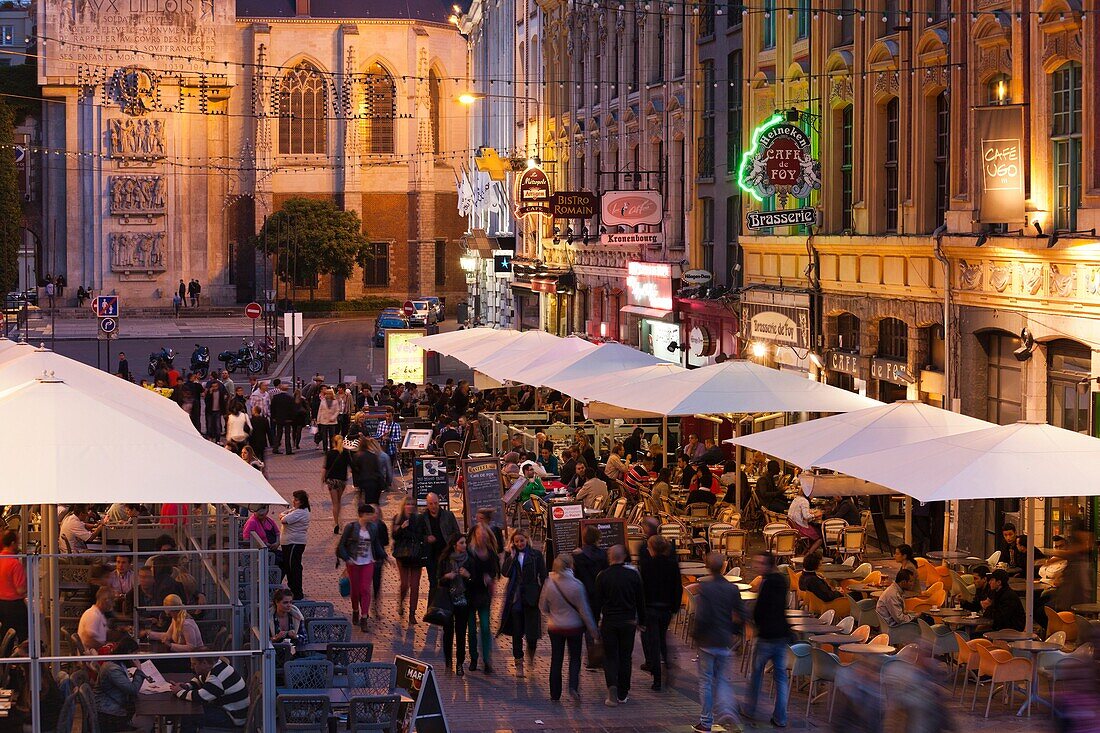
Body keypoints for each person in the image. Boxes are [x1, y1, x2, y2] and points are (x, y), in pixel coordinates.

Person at [692, 552, 745, 733]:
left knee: (706, 681)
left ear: (707, 567)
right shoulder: (732, 589)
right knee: (722, 680)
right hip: (724, 640)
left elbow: (701, 616)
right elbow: (741, 615)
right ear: (724, 567)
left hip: (707, 640)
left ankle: (706, 721)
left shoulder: (705, 589)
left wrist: (696, 636)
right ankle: (728, 711)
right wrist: (734, 632)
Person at [539, 553, 599, 702]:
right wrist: (593, 630)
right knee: (575, 658)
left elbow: (542, 606)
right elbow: (584, 610)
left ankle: (555, 693)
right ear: (571, 565)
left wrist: (553, 614)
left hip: (555, 627)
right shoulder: (577, 585)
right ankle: (573, 686)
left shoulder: (549, 583)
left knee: (556, 659)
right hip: (574, 627)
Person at [741, 551, 790, 728]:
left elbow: (760, 609)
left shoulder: (766, 583)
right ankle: (781, 717)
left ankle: (750, 709)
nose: (756, 567)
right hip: (781, 635)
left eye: (760, 563)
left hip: (766, 637)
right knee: (781, 679)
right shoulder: (783, 581)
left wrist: (754, 622)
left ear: (769, 565)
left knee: (756, 675)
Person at [594, 544, 645, 706]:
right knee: (625, 657)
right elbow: (640, 601)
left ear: (610, 557)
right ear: (624, 556)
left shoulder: (603, 576)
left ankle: (612, 688)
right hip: (628, 621)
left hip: (609, 621)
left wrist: (595, 623)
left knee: (610, 656)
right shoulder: (633, 576)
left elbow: (597, 603)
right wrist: (642, 621)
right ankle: (623, 692)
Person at [499, 531, 547, 678]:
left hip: (532, 597)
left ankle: (530, 656)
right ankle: (518, 663)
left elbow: (543, 575)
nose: (520, 544)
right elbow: (505, 573)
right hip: (516, 598)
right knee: (517, 633)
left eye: (522, 541)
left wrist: (542, 594)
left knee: (532, 635)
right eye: (516, 541)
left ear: (527, 539)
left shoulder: (536, 555)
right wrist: (511, 557)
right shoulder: (511, 555)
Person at [639, 535, 681, 690]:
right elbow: (677, 587)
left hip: (650, 608)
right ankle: (667, 665)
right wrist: (675, 607)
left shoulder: (646, 565)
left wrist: (640, 611)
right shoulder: (672, 565)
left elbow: (641, 589)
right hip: (666, 608)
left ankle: (657, 678)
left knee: (654, 643)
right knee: (662, 638)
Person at [337, 504, 386, 631]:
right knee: (355, 591)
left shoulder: (373, 528)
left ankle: (364, 617)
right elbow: (341, 545)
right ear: (363, 514)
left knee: (365, 589)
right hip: (354, 562)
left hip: (368, 562)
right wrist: (347, 558)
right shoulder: (351, 527)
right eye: (369, 514)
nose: (372, 516)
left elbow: (376, 544)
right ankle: (355, 610)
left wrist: (384, 556)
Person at [172, 655, 249, 732]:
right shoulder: (218, 665)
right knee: (193, 711)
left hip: (233, 718)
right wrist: (187, 686)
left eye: (194, 664)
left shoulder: (216, 677)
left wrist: (179, 692)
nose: (191, 667)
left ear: (204, 663)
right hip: (232, 711)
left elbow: (200, 696)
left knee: (189, 716)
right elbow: (201, 679)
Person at [93, 635, 152, 732]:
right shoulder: (113, 669)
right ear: (129, 653)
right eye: (135, 653)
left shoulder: (116, 663)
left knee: (147, 717)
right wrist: (139, 670)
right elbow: (132, 690)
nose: (137, 656)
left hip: (112, 708)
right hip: (110, 714)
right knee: (147, 721)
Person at [465, 523, 500, 674]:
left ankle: (486, 659)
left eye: (484, 536)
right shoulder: (468, 552)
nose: (482, 538)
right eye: (479, 535)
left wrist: (490, 577)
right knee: (472, 629)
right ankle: (473, 657)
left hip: (484, 595)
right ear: (475, 536)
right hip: (469, 594)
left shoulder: (491, 553)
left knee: (485, 627)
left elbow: (495, 571)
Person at [438, 534, 472, 676]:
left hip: (463, 600)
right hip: (448, 599)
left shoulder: (469, 559)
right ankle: (448, 661)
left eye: (465, 543)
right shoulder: (445, 560)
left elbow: (473, 580)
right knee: (448, 632)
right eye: (462, 543)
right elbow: (438, 580)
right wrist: (446, 577)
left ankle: (459, 663)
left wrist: (468, 576)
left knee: (461, 632)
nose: (464, 545)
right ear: (454, 545)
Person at [421, 492, 460, 602]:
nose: (433, 506)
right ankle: (432, 609)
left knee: (447, 582)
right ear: (427, 504)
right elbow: (419, 535)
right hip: (431, 555)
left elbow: (456, 533)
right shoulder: (423, 518)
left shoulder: (448, 515)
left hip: (446, 555)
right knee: (433, 583)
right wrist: (426, 538)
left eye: (435, 503)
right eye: (431, 504)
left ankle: (447, 609)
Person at [279, 491, 310, 600]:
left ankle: (297, 592)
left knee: (294, 567)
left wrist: (284, 516)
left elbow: (284, 519)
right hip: (288, 542)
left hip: (294, 542)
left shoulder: (300, 512)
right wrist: (284, 515)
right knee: (288, 566)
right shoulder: (295, 510)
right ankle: (293, 589)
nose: (294, 501)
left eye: (296, 500)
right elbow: (283, 514)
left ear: (302, 502)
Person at [0, 531, 28, 642]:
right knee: (22, 635)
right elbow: (20, 589)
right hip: (14, 606)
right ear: (12, 543)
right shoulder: (14, 564)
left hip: (1, 604)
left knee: (5, 638)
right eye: (17, 542)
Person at [78, 587, 116, 651]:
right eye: (112, 601)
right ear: (105, 600)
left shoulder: (100, 614)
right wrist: (105, 647)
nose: (113, 604)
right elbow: (87, 641)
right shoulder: (93, 615)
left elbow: (106, 633)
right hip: (92, 655)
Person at [351, 438, 384, 508]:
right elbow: (378, 469)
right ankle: (377, 517)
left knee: (367, 504)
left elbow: (355, 471)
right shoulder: (373, 456)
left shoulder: (357, 456)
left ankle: (368, 516)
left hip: (365, 482)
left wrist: (357, 485)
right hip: (376, 481)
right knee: (375, 504)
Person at [787, 490, 822, 555]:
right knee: (820, 538)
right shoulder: (804, 501)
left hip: (792, 525)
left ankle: (803, 554)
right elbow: (806, 516)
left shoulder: (796, 499)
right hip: (799, 528)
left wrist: (811, 514)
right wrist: (816, 515)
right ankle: (808, 555)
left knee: (815, 534)